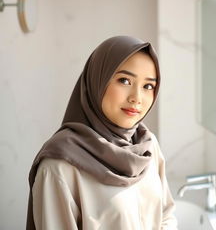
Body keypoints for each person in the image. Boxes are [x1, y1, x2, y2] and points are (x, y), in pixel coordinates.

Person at [26, 35, 178, 230]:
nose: (137, 98)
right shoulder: (59, 165)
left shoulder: (147, 146)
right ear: (98, 80)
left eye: (148, 86)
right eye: (124, 80)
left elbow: (166, 214)